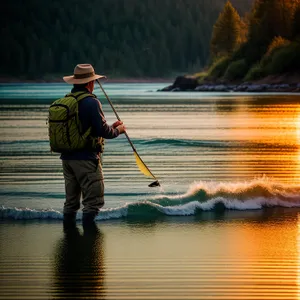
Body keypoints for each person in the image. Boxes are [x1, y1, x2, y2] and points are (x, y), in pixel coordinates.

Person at [58, 64, 126, 227]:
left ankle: (69, 241)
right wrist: (118, 130)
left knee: (71, 203)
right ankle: (90, 245)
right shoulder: (91, 103)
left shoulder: (66, 100)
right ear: (90, 83)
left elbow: (86, 128)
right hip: (86, 160)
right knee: (93, 203)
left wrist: (111, 126)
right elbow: (104, 132)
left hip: (67, 159)